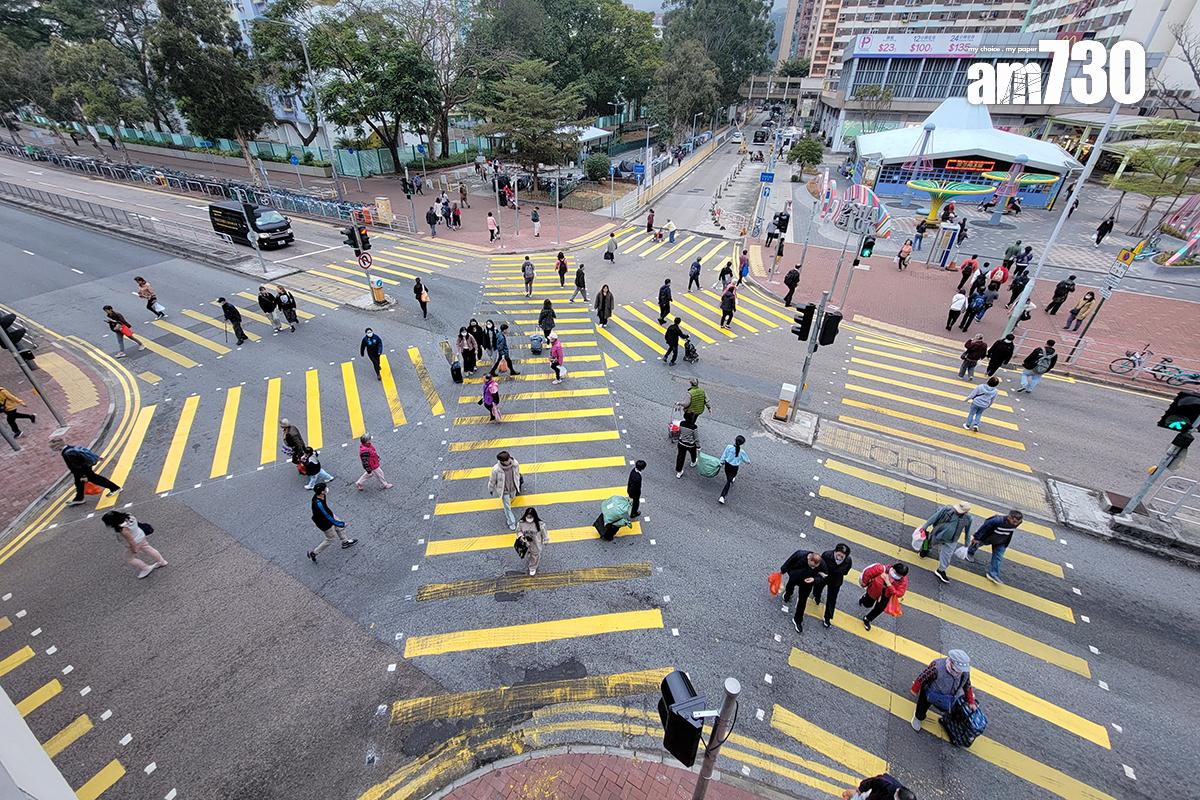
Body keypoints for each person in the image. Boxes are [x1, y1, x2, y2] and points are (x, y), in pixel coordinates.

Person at [911, 649, 976, 732]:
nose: (961, 671)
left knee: (951, 707)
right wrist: (915, 688)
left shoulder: (964, 673)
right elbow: (923, 677)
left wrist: (971, 701)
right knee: (922, 705)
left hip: (949, 696)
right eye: (959, 669)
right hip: (930, 691)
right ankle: (918, 717)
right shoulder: (937, 667)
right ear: (952, 663)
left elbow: (967, 685)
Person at [54, 438, 120, 505]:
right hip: (84, 468)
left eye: (52, 447)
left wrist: (83, 475)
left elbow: (77, 465)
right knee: (79, 483)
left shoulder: (67, 453)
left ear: (57, 446)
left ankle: (115, 488)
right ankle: (79, 498)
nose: (52, 449)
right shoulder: (70, 448)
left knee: (96, 479)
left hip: (82, 470)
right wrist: (96, 457)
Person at [102, 511, 167, 579]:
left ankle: (145, 568)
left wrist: (134, 549)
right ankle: (162, 561)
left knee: (129, 558)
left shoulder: (122, 529)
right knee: (148, 548)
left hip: (136, 542)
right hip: (140, 535)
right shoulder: (129, 516)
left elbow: (131, 540)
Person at [919, 502, 973, 583]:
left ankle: (941, 570)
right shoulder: (947, 509)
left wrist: (967, 543)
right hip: (937, 534)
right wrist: (925, 526)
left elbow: (968, 531)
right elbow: (935, 517)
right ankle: (925, 550)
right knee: (928, 543)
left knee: (947, 556)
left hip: (952, 540)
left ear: (966, 512)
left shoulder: (968, 519)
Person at [966, 510, 1023, 584]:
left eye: (1017, 522)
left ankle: (993, 574)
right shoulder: (996, 520)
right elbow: (984, 527)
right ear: (1009, 517)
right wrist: (977, 538)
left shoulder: (1018, 522)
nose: (1015, 524)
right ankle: (970, 552)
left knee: (998, 557)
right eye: (1014, 521)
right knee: (977, 544)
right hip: (988, 537)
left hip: (1001, 541)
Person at [780, 549, 828, 634]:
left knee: (802, 601)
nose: (813, 568)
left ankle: (797, 620)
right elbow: (789, 562)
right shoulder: (800, 554)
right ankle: (787, 595)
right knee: (790, 587)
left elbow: (825, 576)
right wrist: (782, 571)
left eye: (815, 567)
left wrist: (814, 579)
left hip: (807, 584)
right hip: (795, 577)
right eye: (811, 565)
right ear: (809, 559)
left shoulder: (822, 564)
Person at [307, 482, 355, 562]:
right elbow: (326, 516)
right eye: (325, 488)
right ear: (322, 491)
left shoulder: (321, 495)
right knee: (330, 538)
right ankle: (314, 553)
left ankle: (345, 542)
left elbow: (326, 513)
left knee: (340, 528)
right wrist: (341, 524)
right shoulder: (318, 503)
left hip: (328, 515)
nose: (327, 489)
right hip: (324, 522)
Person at [811, 543, 852, 628]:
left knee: (832, 599)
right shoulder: (826, 555)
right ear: (835, 552)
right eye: (839, 555)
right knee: (818, 588)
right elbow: (820, 565)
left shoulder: (848, 561)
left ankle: (827, 618)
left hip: (836, 581)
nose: (840, 558)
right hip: (824, 577)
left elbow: (845, 572)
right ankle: (816, 597)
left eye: (842, 556)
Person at [859, 562, 908, 631]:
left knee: (879, 609)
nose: (896, 576)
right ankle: (864, 598)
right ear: (893, 568)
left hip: (886, 596)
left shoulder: (903, 581)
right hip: (874, 591)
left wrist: (889, 584)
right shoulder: (881, 569)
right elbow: (868, 573)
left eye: (899, 575)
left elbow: (899, 593)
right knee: (867, 604)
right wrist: (865, 583)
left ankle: (867, 619)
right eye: (895, 573)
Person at [488, 451, 522, 530]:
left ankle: (510, 505)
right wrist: (491, 489)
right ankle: (511, 522)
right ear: (502, 461)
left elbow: (517, 475)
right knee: (507, 507)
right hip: (504, 491)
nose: (509, 461)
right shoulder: (496, 470)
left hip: (513, 488)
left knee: (511, 500)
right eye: (507, 460)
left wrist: (518, 483)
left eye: (509, 458)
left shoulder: (515, 464)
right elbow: (492, 480)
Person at [717, 435, 748, 505]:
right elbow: (747, 461)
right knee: (729, 480)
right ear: (742, 444)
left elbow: (724, 455)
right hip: (734, 467)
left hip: (727, 465)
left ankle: (730, 479)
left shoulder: (729, 447)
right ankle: (722, 496)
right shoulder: (742, 452)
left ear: (735, 440)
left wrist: (721, 462)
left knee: (728, 476)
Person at [516, 508, 548, 575]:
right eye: (528, 517)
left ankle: (533, 567)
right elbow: (518, 531)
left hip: (535, 543)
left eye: (530, 517)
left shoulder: (540, 524)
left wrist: (545, 539)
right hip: (525, 543)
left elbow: (544, 532)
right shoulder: (521, 523)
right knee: (528, 553)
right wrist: (521, 536)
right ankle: (530, 558)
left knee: (535, 555)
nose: (529, 519)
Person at [675, 411, 699, 477]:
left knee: (680, 457)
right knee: (693, 453)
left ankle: (679, 472)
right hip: (690, 444)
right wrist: (698, 446)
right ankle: (693, 462)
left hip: (681, 443)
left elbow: (679, 432)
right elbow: (696, 438)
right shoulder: (694, 427)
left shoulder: (682, 423)